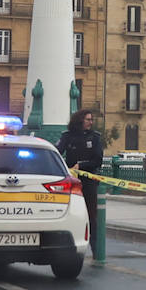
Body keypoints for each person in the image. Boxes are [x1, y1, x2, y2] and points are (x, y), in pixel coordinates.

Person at [56, 109, 104, 257]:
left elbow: (98, 160)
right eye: (88, 119)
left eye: (91, 119)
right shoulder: (67, 136)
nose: (91, 122)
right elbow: (57, 152)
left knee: (91, 216)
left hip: (89, 182)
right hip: (72, 182)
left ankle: (96, 249)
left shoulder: (95, 138)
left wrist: (81, 166)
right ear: (80, 120)